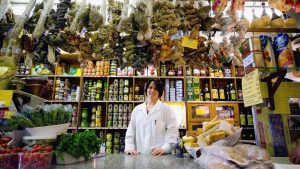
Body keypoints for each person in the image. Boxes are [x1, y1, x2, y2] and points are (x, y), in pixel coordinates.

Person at [124, 79, 178, 156]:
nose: (152, 91)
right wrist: (129, 148)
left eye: (156, 89)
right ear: (146, 89)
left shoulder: (166, 110)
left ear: (160, 92)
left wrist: (165, 148)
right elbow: (131, 131)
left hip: (158, 157)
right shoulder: (137, 109)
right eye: (150, 87)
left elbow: (173, 132)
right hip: (139, 155)